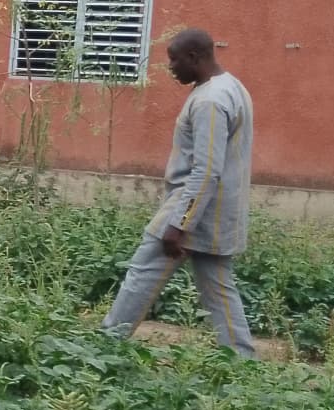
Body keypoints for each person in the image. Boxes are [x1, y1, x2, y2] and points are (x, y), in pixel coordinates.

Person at [100, 28, 256, 358]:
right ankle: (243, 363)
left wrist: (179, 223)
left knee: (142, 274)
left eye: (174, 60)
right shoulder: (231, 87)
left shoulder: (210, 101)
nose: (170, 68)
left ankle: (105, 347)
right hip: (216, 212)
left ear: (194, 58)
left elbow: (206, 169)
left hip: (192, 209)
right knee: (220, 291)